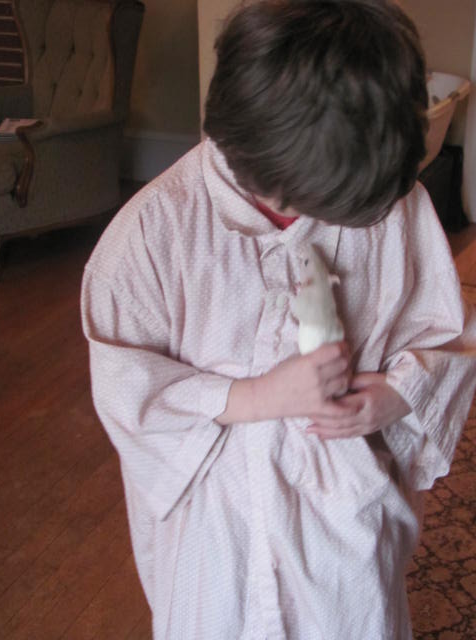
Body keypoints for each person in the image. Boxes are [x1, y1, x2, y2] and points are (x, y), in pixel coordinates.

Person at [81, 1, 476, 638]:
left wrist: (399, 394)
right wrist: (257, 396)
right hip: (217, 520)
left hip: (345, 513)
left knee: (353, 618)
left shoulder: (392, 203)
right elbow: (126, 387)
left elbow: (445, 331)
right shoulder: (154, 233)